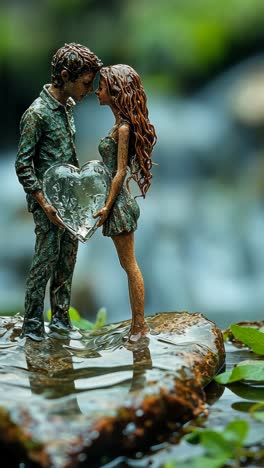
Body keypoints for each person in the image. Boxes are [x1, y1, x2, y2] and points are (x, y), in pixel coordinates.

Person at [16, 43, 102, 340]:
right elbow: (23, 165)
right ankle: (32, 325)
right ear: (65, 75)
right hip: (48, 206)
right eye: (85, 83)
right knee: (44, 262)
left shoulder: (67, 109)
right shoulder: (37, 114)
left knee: (67, 260)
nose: (89, 90)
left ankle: (62, 320)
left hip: (71, 201)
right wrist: (43, 202)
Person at [94, 64, 157, 341]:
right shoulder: (117, 125)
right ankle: (137, 323)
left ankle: (139, 325)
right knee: (127, 265)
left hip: (119, 204)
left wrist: (107, 206)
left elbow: (120, 172)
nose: (97, 91)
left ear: (115, 90)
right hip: (115, 201)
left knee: (130, 266)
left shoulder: (123, 128)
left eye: (102, 86)